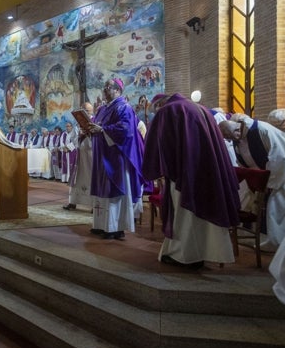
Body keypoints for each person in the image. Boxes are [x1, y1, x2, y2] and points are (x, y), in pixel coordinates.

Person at [143, 93, 240, 269]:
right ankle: (204, 253)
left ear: (159, 105)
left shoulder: (169, 110)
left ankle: (185, 256)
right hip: (208, 169)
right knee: (202, 212)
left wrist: (160, 168)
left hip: (184, 172)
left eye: (154, 110)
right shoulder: (201, 109)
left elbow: (162, 144)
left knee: (185, 215)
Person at [87, 78, 145, 240]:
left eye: (108, 88)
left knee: (114, 190)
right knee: (101, 189)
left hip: (115, 158)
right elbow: (96, 126)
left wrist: (102, 130)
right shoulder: (103, 109)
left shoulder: (123, 107)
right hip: (102, 155)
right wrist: (90, 128)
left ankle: (115, 228)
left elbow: (126, 130)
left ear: (118, 90)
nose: (104, 90)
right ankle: (100, 225)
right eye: (104, 87)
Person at [219, 115, 285, 248]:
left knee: (274, 207)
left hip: (278, 176)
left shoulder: (261, 130)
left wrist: (270, 183)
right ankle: (253, 237)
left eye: (230, 137)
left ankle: (273, 242)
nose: (230, 141)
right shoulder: (237, 137)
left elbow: (280, 158)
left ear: (236, 131)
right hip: (259, 178)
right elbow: (241, 159)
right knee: (248, 202)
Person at [66, 102, 94, 210]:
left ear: (91, 111)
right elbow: (72, 138)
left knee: (91, 177)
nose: (84, 112)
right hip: (80, 153)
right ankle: (73, 202)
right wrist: (70, 146)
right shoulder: (78, 123)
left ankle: (93, 205)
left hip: (91, 153)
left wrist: (87, 133)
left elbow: (99, 136)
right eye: (82, 110)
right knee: (76, 177)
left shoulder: (94, 121)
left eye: (86, 110)